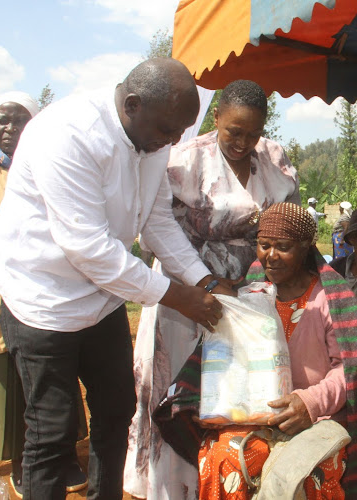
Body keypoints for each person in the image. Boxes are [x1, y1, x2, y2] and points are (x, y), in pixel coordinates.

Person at [0, 58, 225, 500]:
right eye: (167, 130)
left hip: (102, 301)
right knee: (51, 433)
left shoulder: (152, 139)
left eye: (179, 133)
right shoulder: (69, 134)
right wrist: (178, 297)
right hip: (43, 301)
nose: (172, 142)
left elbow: (155, 221)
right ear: (132, 104)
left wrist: (204, 280)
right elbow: (89, 248)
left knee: (117, 411)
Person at [151, 202, 357, 498]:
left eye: (283, 247)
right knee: (224, 459)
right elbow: (224, 361)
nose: (271, 256)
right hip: (252, 418)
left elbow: (350, 368)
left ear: (306, 247)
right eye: (264, 245)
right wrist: (215, 404)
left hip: (318, 420)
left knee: (306, 475)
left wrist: (310, 402)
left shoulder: (329, 302)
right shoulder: (248, 297)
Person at [124, 79, 300, 500]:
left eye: (252, 133)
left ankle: (224, 481)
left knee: (234, 389)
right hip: (185, 296)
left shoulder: (274, 159)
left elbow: (285, 218)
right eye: (233, 132)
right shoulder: (182, 160)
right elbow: (154, 229)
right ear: (216, 115)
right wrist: (201, 280)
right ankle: (172, 489)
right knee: (178, 388)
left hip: (247, 297)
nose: (243, 142)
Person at [0, 92, 89, 496]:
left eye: (18, 121)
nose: (8, 129)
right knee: (10, 388)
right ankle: (23, 461)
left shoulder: (53, 164)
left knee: (53, 376)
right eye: (1, 121)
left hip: (46, 295)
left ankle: (63, 455)